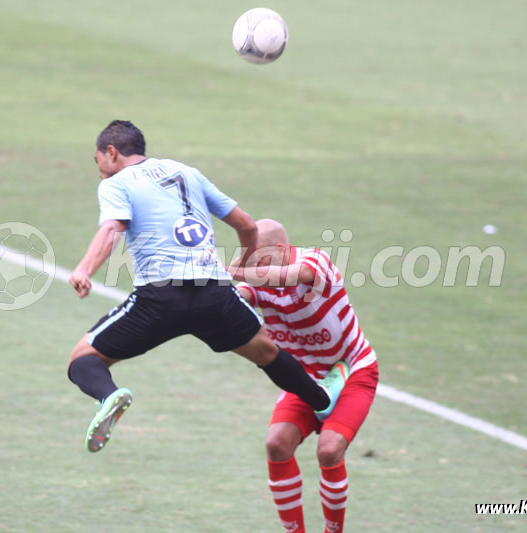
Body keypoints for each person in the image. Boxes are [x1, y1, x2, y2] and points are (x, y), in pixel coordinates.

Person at [66, 120, 348, 453]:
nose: (100, 172)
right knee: (267, 352)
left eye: (99, 162)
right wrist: (243, 264)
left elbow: (113, 228)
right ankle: (321, 400)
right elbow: (246, 224)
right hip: (215, 294)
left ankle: (109, 396)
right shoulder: (187, 172)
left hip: (160, 298)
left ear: (111, 153)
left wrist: (85, 269)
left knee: (82, 360)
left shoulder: (116, 183)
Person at [230, 219, 379, 533]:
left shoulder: (314, 262)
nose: (259, 272)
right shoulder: (257, 281)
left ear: (283, 250)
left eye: (262, 261)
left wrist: (237, 271)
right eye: (251, 261)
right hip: (305, 380)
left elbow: (296, 275)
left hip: (352, 371)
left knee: (328, 450)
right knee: (277, 444)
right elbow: (237, 298)